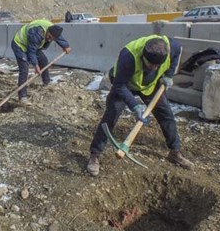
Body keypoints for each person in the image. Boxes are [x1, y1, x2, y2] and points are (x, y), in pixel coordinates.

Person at [86, 35, 194, 176]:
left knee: (166, 115)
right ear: (143, 55)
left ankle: (175, 152)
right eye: (151, 65)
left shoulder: (171, 47)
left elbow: (178, 52)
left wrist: (169, 74)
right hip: (125, 85)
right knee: (111, 114)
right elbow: (119, 85)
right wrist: (135, 106)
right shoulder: (128, 56)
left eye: (157, 66)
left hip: (150, 85)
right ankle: (95, 155)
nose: (154, 67)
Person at [11, 19, 71, 105]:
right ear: (47, 32)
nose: (50, 40)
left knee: (43, 60)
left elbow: (58, 37)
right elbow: (31, 52)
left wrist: (66, 46)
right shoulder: (37, 33)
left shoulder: (52, 29)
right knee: (24, 69)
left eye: (52, 39)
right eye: (49, 37)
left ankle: (46, 82)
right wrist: (36, 66)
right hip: (19, 45)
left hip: (32, 45)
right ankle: (22, 96)